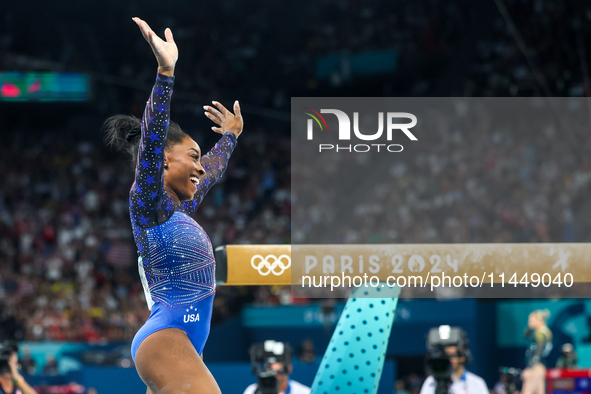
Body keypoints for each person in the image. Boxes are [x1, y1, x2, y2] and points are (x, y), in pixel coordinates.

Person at [105, 17, 243, 394]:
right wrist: (165, 74)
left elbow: (211, 171)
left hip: (183, 343)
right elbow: (151, 142)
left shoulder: (179, 211)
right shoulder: (150, 204)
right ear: (164, 160)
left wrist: (230, 136)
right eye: (192, 156)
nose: (200, 165)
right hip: (167, 338)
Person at [419, 345, 488, 394]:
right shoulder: (432, 381)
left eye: (452, 355)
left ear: (462, 357)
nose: (449, 359)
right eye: (446, 356)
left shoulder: (477, 383)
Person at [521, 310, 552, 394]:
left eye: (531, 320)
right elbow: (526, 335)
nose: (529, 322)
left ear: (539, 320)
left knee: (527, 391)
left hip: (536, 368)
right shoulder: (544, 332)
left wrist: (530, 369)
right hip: (540, 368)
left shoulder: (541, 333)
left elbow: (538, 353)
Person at [242, 360, 311, 394]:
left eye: (279, 370)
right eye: (270, 367)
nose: (274, 371)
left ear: (289, 368)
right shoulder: (252, 391)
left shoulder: (305, 392)